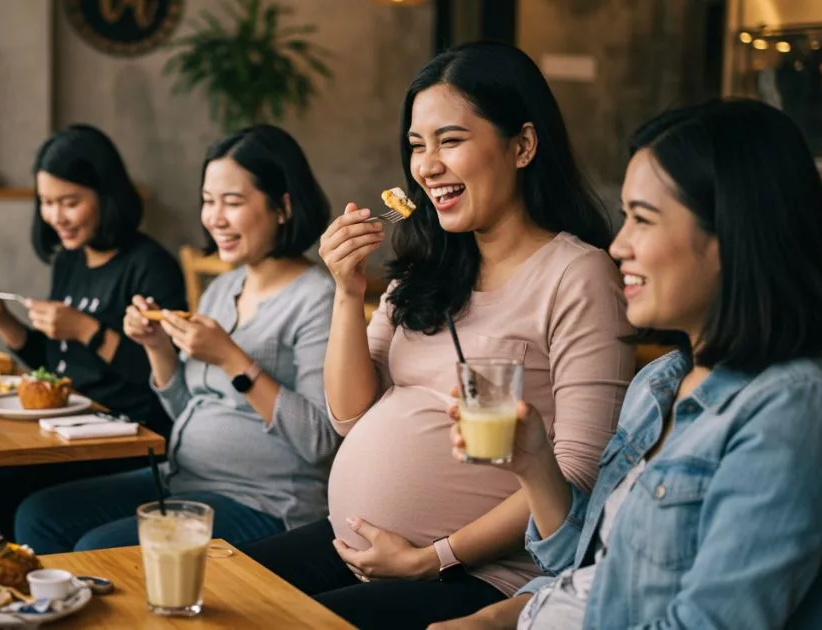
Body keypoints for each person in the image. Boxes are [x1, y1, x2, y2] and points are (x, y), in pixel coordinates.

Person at [242, 41, 634, 629]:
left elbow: (578, 472)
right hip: (360, 549)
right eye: (417, 146)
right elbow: (349, 416)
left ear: (522, 145)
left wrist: (432, 559)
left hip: (479, 575)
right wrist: (348, 292)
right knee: (219, 591)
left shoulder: (578, 274)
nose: (426, 165)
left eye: (450, 141)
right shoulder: (427, 268)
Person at [434, 99, 822, 630]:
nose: (618, 244)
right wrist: (533, 465)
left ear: (733, 233)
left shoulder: (791, 409)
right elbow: (583, 566)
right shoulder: (661, 382)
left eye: (642, 219)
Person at [12, 124, 339, 552]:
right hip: (183, 478)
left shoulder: (318, 297)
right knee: (40, 515)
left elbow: (320, 440)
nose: (214, 218)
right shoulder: (223, 289)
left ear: (283, 206)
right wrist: (157, 348)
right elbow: (187, 407)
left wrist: (231, 359)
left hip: (267, 502)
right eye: (208, 201)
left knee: (99, 546)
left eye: (233, 202)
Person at [0, 124, 187, 548]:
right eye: (46, 202)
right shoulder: (70, 262)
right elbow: (59, 365)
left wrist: (85, 328)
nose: (55, 216)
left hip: (125, 440)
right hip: (68, 430)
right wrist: (1, 319)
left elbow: (162, 377)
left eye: (70, 202)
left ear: (107, 195)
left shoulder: (151, 266)